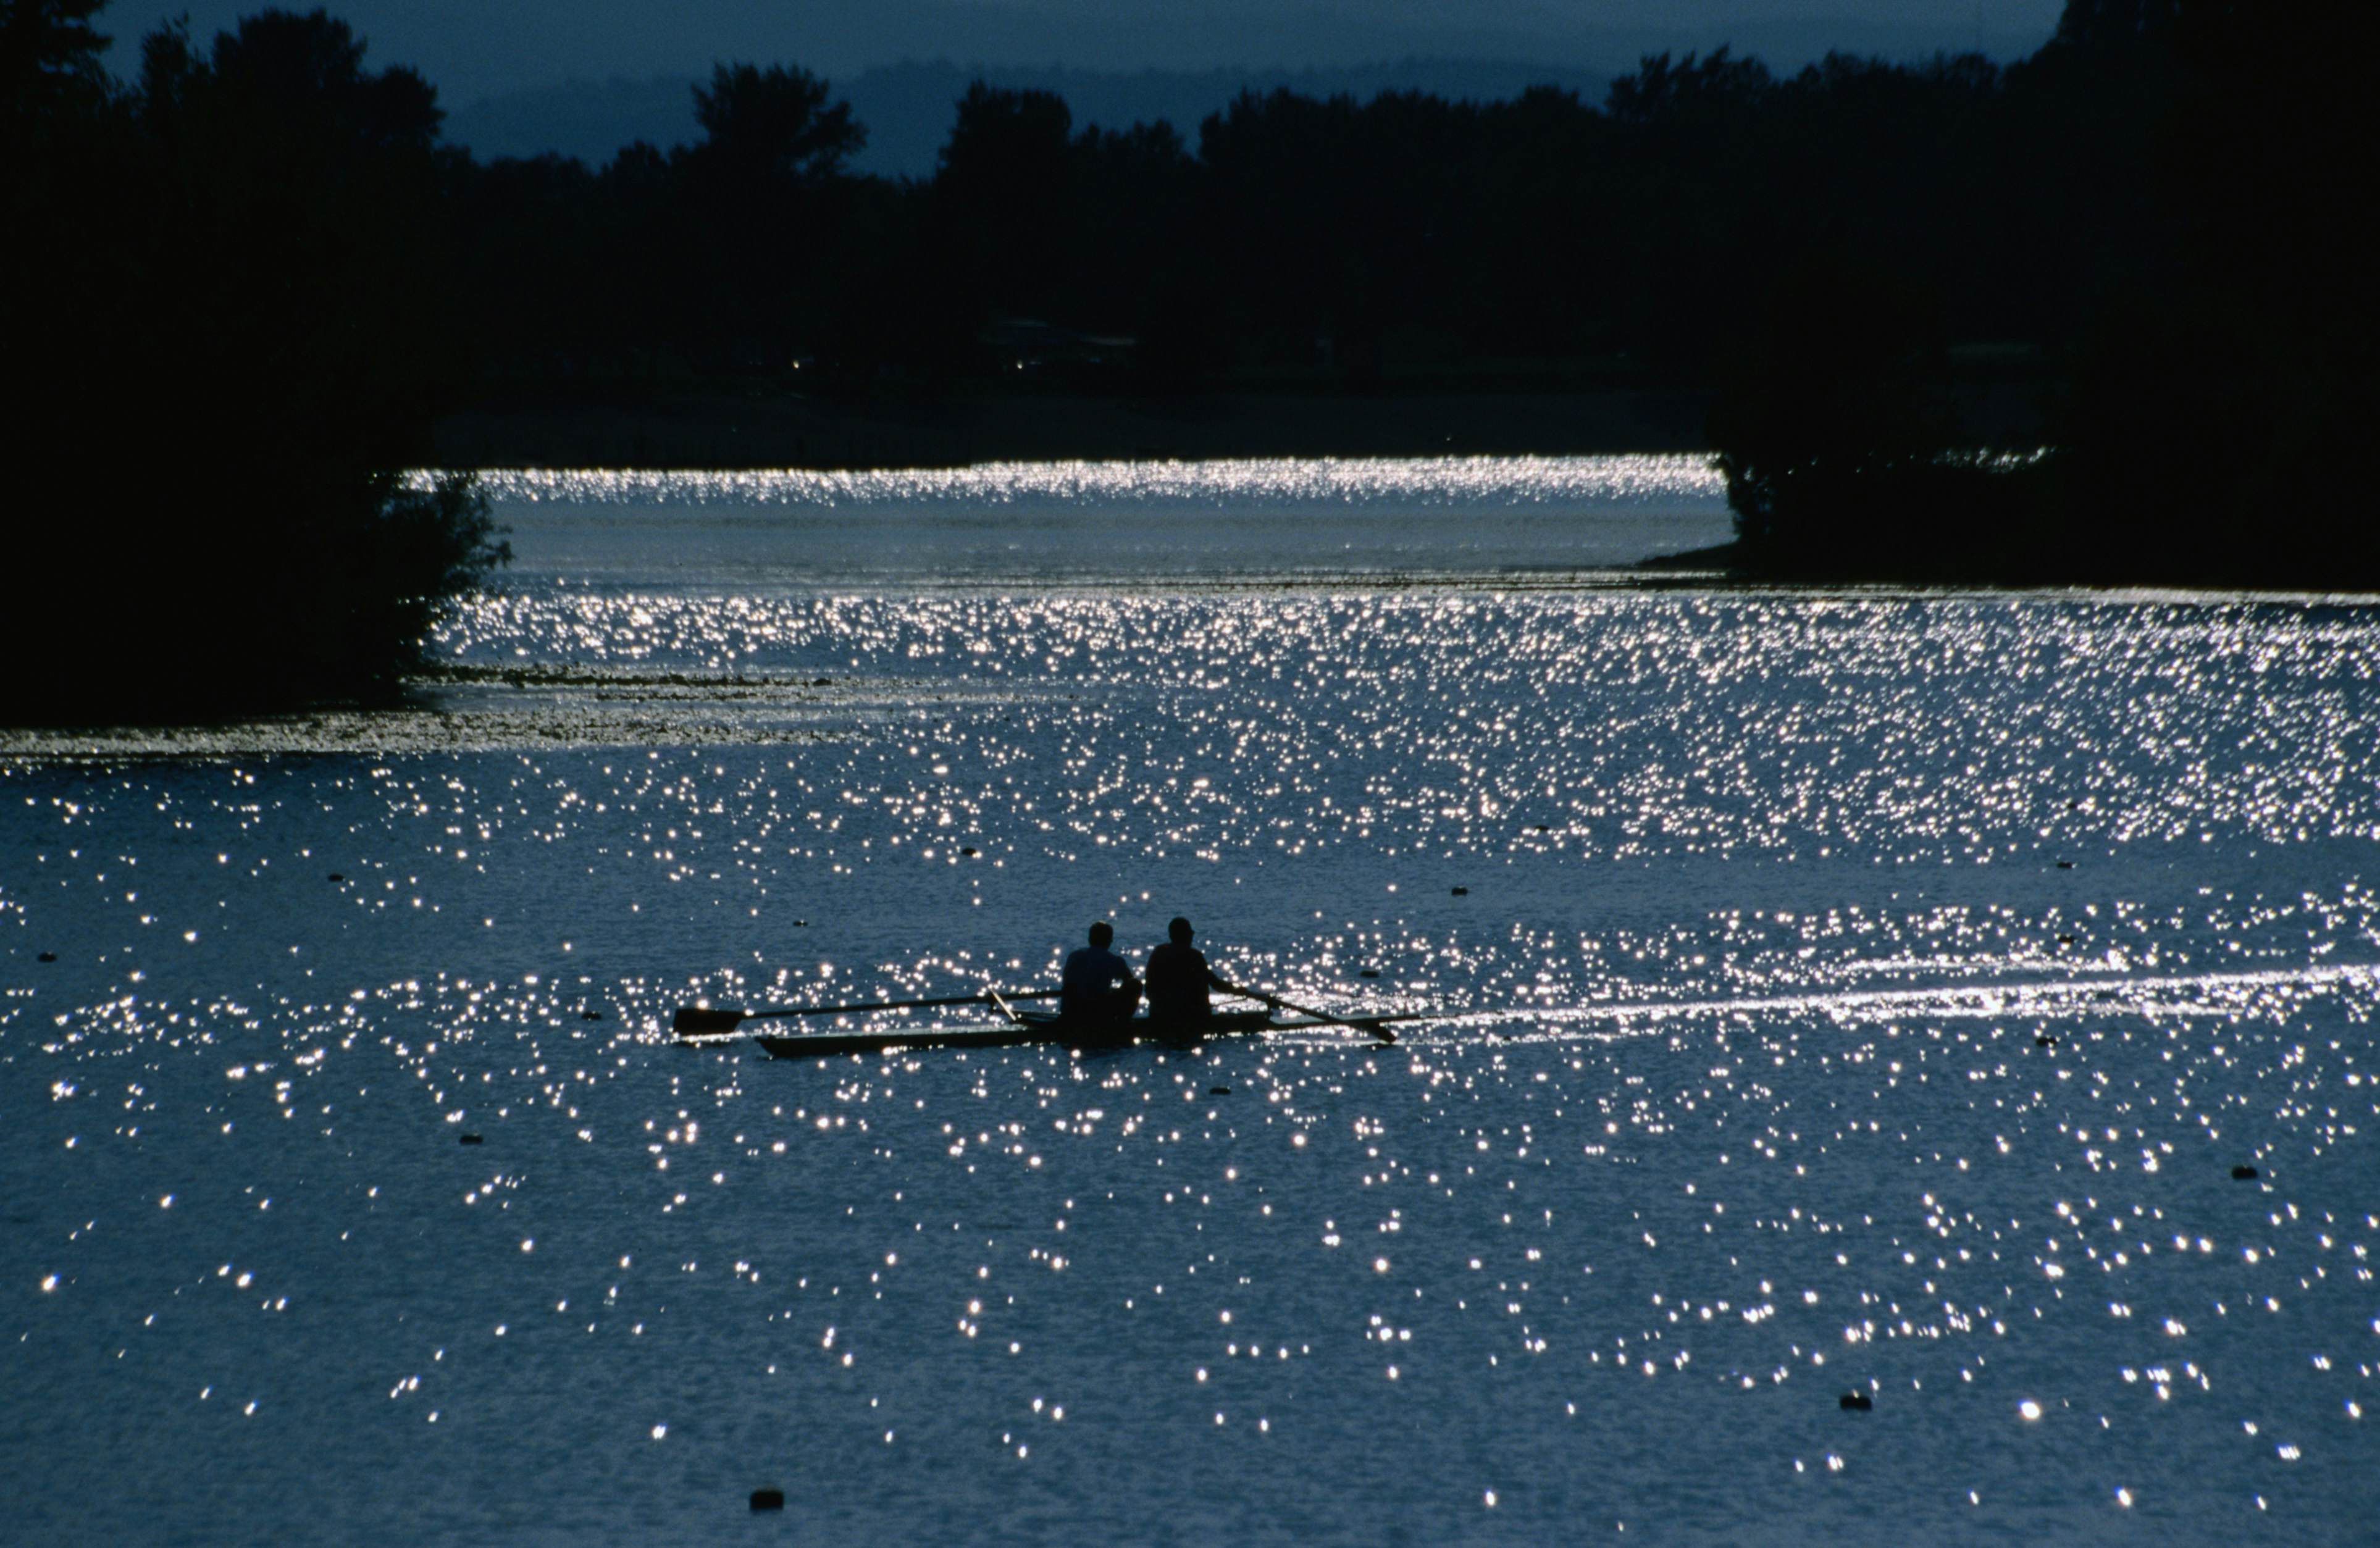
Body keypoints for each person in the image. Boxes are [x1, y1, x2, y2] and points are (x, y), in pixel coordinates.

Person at [1144, 916, 1241, 1028]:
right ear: (1185, 936)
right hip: (1193, 1017)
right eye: (1190, 933)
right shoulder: (1195, 956)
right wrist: (1239, 991)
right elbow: (1216, 984)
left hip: (1160, 1015)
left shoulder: (1158, 953)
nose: (1192, 936)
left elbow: (1149, 987)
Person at [1060, 921, 1141, 1031]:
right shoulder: (1114, 960)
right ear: (1109, 941)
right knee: (1136, 985)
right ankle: (1123, 1024)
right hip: (1095, 1012)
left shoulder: (1074, 956)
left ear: (1090, 940)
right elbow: (1130, 982)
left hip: (1069, 1010)